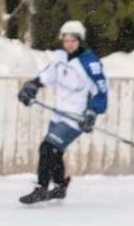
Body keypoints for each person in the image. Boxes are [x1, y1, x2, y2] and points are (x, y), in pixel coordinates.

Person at [17, 20, 108, 204]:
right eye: (66, 40)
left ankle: (41, 188)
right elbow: (47, 75)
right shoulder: (60, 56)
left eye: (73, 41)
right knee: (55, 152)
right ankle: (59, 187)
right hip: (58, 114)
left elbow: (101, 90)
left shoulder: (90, 63)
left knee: (47, 148)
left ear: (80, 41)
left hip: (76, 118)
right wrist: (32, 86)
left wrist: (92, 113)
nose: (69, 44)